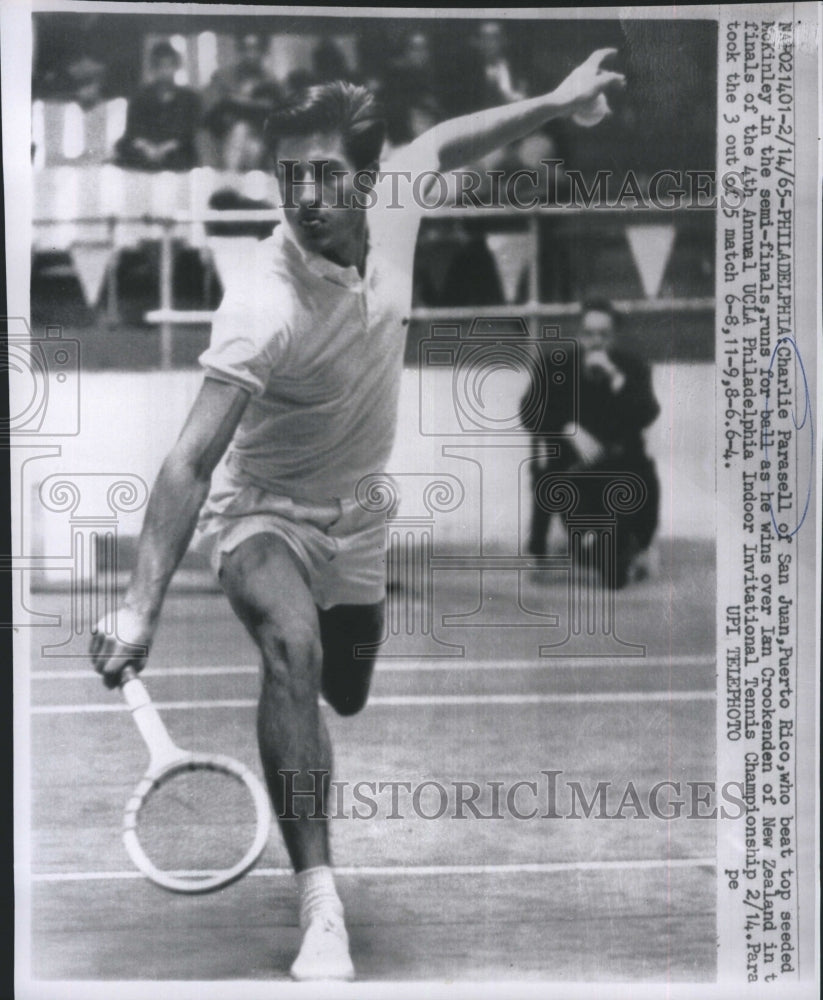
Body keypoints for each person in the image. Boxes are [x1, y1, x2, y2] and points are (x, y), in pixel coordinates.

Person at [91, 50, 626, 981]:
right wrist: (139, 606)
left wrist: (551, 100)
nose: (303, 194)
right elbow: (188, 459)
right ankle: (320, 906)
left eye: (325, 173)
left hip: (362, 516)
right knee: (292, 651)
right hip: (262, 515)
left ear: (367, 180)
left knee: (345, 689)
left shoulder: (400, 198)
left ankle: (325, 698)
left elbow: (449, 139)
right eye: (289, 174)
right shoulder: (261, 302)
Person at [523, 298, 660, 588]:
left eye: (603, 334)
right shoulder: (554, 367)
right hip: (571, 468)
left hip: (622, 466)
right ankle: (570, 546)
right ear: (579, 334)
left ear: (614, 336)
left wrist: (615, 378)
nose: (596, 341)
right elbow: (529, 412)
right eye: (589, 334)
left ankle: (637, 546)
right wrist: (567, 428)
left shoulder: (632, 368)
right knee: (586, 539)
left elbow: (648, 413)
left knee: (643, 481)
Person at [114, 41, 200, 171]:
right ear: (153, 69)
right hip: (145, 150)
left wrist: (165, 148)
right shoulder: (140, 97)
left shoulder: (189, 97)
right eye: (159, 66)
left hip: (176, 150)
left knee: (186, 153)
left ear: (176, 67)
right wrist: (147, 148)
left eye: (169, 66)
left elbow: (189, 131)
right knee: (123, 147)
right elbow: (132, 131)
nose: (165, 71)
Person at [201, 33, 281, 171]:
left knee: (252, 144)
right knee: (240, 130)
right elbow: (209, 117)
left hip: (260, 144)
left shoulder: (272, 84)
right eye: (246, 49)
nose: (251, 54)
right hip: (224, 142)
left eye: (256, 49)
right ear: (239, 51)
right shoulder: (222, 78)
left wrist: (240, 103)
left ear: (263, 51)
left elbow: (277, 117)